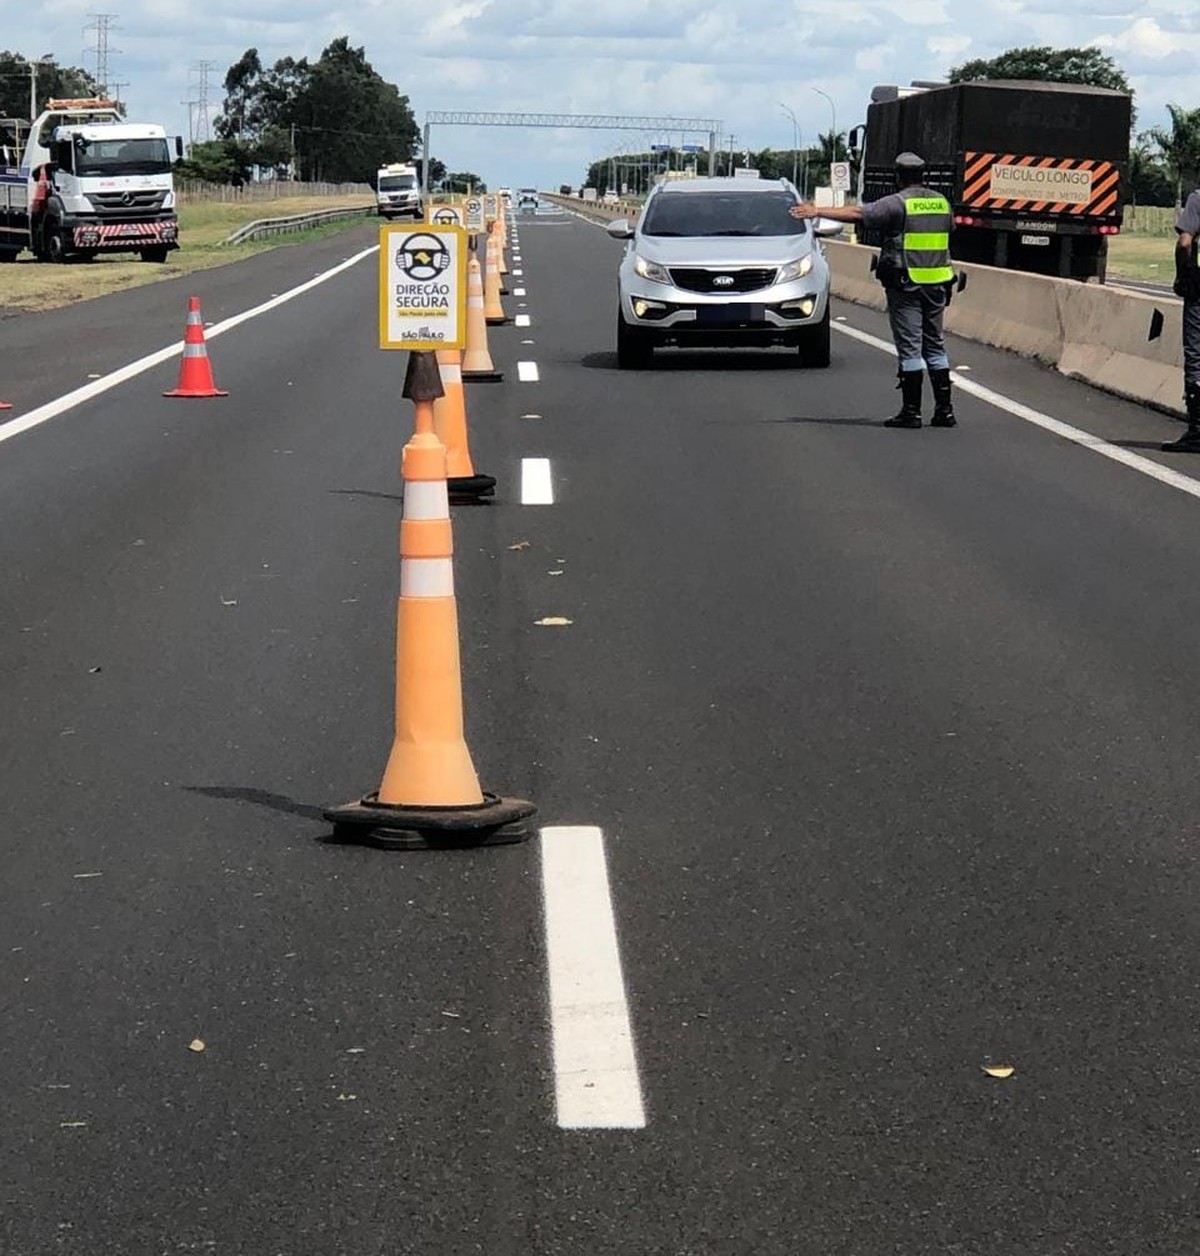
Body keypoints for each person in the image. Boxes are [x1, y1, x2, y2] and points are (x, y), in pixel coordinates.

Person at [790, 151, 956, 428]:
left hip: (907, 284)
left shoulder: (896, 203)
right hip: (938, 284)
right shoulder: (942, 204)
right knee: (935, 345)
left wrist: (816, 211)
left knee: (910, 348)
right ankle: (945, 411)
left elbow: (858, 213)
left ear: (898, 177)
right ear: (923, 176)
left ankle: (911, 412)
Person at [1163, 188, 1200, 452]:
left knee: (1196, 355)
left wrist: (1182, 277)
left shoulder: (1198, 198)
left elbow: (1185, 242)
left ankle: (1197, 430)